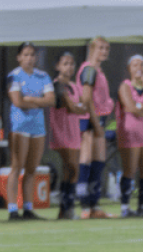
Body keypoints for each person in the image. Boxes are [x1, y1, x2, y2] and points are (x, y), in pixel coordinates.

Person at [6, 42, 54, 221]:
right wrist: (39, 100)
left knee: (32, 169)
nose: (29, 58)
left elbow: (50, 100)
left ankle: (28, 208)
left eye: (32, 55)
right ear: (19, 57)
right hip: (20, 126)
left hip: (38, 127)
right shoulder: (14, 76)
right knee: (16, 167)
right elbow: (18, 102)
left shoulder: (43, 76)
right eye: (25, 55)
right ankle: (12, 210)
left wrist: (31, 99)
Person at [115, 55, 143, 218]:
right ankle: (125, 206)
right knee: (130, 170)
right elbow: (130, 107)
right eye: (135, 65)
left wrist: (140, 106)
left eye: (141, 64)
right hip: (130, 133)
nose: (139, 68)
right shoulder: (125, 86)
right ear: (129, 68)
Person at [76, 37, 115, 219]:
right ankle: (84, 205)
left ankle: (94, 204)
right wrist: (96, 123)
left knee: (99, 161)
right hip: (89, 119)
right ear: (92, 49)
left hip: (99, 118)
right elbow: (86, 98)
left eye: (106, 48)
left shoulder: (99, 70)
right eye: (100, 48)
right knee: (86, 158)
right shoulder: (89, 69)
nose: (104, 51)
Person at [50, 52, 88, 220]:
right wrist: (77, 106)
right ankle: (67, 207)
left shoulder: (74, 86)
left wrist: (77, 106)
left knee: (70, 170)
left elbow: (83, 106)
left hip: (74, 131)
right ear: (58, 66)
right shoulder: (56, 85)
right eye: (65, 63)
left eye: (72, 64)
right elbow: (74, 108)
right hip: (61, 131)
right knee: (72, 167)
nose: (69, 67)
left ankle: (65, 209)